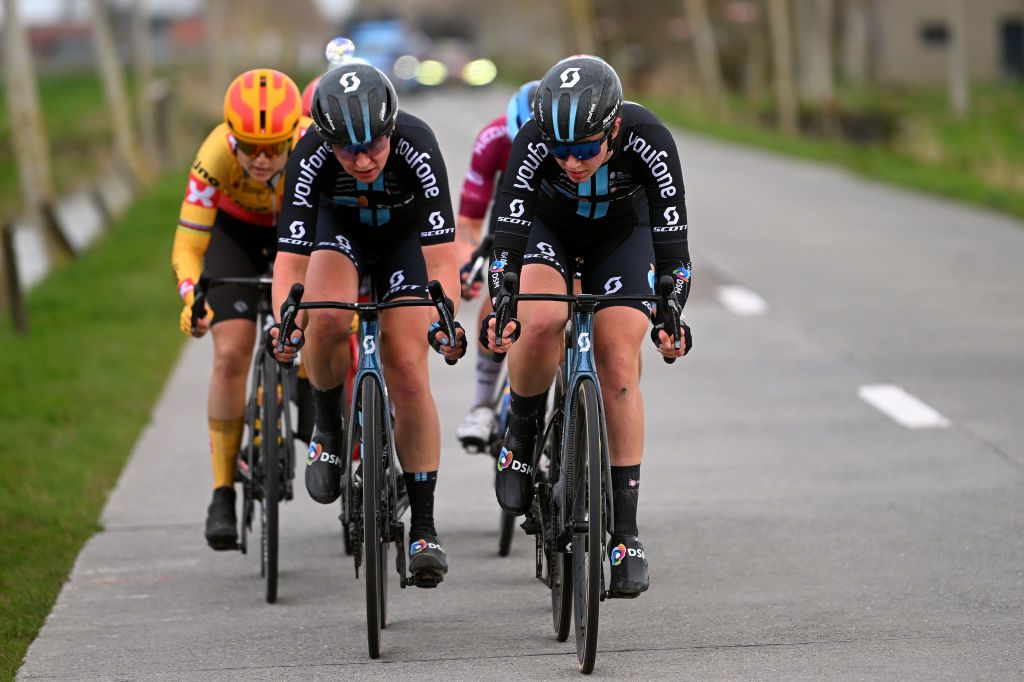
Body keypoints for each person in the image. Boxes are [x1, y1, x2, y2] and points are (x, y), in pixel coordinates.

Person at [480, 55, 693, 597]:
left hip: (622, 238)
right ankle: (521, 437)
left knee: (618, 361)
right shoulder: (534, 138)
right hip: (551, 232)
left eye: (585, 150)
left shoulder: (649, 136)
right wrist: (504, 298)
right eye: (561, 150)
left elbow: (673, 242)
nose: (571, 162)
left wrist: (673, 309)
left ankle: (625, 532)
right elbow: (507, 230)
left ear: (613, 127)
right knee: (542, 316)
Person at [268, 62, 466, 585]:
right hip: (340, 234)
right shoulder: (308, 153)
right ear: (325, 138)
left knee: (407, 367)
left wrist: (445, 316)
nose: (361, 160)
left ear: (392, 128)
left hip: (404, 241)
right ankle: (328, 428)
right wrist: (285, 323)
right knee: (324, 317)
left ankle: (423, 526)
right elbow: (289, 261)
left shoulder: (418, 144)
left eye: (373, 146)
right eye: (346, 149)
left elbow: (443, 257)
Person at [171, 68, 310, 550]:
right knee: (230, 352)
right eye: (249, 146)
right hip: (235, 237)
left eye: (274, 146)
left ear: (295, 132)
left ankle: (316, 401)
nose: (263, 158)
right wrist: (192, 293)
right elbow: (188, 244)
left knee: (314, 328)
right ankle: (222, 493)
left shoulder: (314, 144)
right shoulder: (213, 154)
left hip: (295, 233)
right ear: (231, 134)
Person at [454, 80, 540, 451]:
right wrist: (466, 264)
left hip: (567, 222)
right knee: (496, 295)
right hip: (511, 220)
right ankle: (483, 403)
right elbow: (470, 222)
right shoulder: (492, 139)